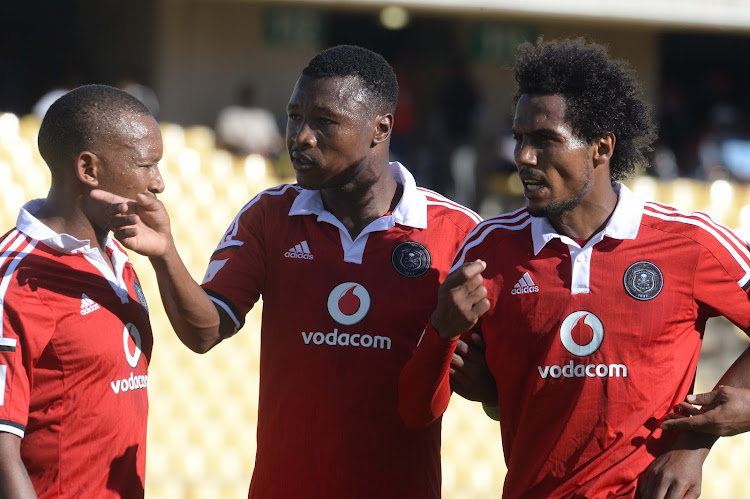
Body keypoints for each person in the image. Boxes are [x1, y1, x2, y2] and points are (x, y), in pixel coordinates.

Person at [92, 45, 486, 497]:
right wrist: (165, 254)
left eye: (323, 121)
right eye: (295, 117)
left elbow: (488, 385)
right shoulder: (269, 215)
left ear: (381, 128)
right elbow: (204, 332)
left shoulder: (457, 232)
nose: (301, 137)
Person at [399, 37, 750, 499]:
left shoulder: (689, 242)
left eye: (545, 140)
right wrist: (473, 370)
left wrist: (695, 441)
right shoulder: (488, 249)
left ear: (601, 148)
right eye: (520, 139)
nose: (523, 157)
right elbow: (422, 409)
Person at [0, 84, 164, 497]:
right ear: (88, 169)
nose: (158, 183)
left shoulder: (119, 256)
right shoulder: (16, 278)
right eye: (146, 165)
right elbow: (2, 450)